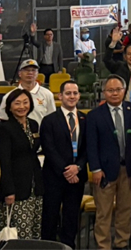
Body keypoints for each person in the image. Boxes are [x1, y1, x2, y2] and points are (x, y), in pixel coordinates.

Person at [86, 75, 131, 249]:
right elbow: (91, 145)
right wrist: (95, 169)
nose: (114, 93)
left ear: (124, 90)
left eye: (118, 90)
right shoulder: (94, 115)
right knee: (103, 212)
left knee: (125, 209)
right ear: (104, 92)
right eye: (110, 90)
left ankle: (121, 243)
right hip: (104, 171)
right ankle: (103, 245)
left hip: (128, 168)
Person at [40, 80, 87, 248]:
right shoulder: (49, 120)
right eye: (68, 93)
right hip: (54, 177)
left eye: (75, 93)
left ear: (79, 96)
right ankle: (49, 247)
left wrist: (77, 167)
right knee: (50, 216)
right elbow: (49, 148)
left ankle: (68, 246)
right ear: (60, 96)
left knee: (71, 217)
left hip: (77, 177)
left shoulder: (84, 118)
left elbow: (88, 148)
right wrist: (66, 171)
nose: (72, 96)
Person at [0, 88, 44, 240]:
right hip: (16, 188)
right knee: (21, 234)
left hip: (35, 186)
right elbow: (4, 162)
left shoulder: (34, 124)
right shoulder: (4, 128)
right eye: (17, 103)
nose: (22, 106)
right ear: (9, 107)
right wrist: (8, 191)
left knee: (35, 230)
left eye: (25, 102)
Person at [0, 59, 56, 126]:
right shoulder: (9, 96)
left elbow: (52, 118)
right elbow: (3, 118)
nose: (30, 73)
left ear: (37, 73)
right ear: (20, 73)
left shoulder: (47, 94)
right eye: (26, 70)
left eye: (33, 70)